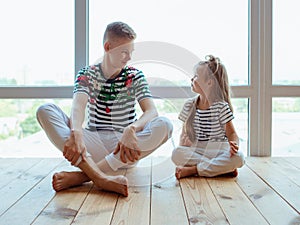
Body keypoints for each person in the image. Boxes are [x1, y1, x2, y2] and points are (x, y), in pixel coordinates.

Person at [36, 21, 173, 196]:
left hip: (124, 148)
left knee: (165, 125)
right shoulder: (87, 74)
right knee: (45, 110)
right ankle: (101, 179)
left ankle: (83, 176)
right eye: (124, 52)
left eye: (130, 52)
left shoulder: (135, 75)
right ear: (108, 47)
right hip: (92, 143)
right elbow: (78, 105)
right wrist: (76, 132)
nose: (128, 57)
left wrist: (131, 129)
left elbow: (151, 111)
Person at [171, 55, 244, 179]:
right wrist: (184, 144)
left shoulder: (221, 107)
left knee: (239, 157)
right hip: (198, 149)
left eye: (196, 76)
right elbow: (183, 134)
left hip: (219, 148)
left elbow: (232, 134)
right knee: (176, 154)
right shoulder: (189, 105)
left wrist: (234, 145)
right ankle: (221, 169)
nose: (192, 79)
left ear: (209, 83)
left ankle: (194, 170)